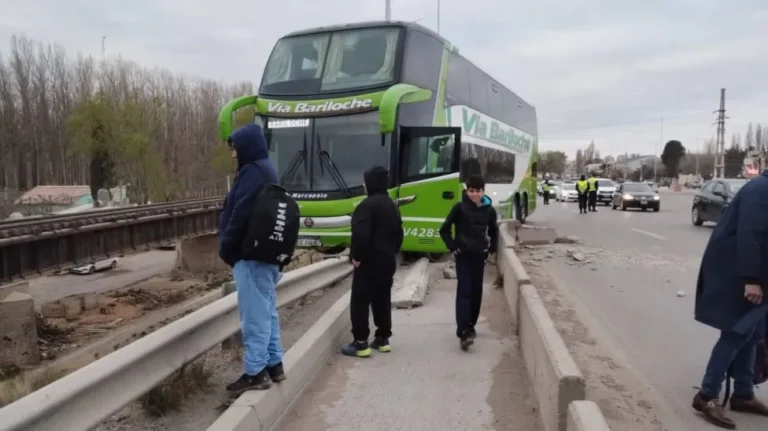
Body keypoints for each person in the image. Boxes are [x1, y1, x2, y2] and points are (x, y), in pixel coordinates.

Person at [692, 169, 768, 429]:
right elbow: (751, 236)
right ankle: (707, 394)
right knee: (737, 332)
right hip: (741, 274)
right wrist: (752, 279)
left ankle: (743, 393)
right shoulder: (760, 190)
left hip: (755, 273)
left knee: (754, 333)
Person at [219, 124, 286, 394]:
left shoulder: (251, 172)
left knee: (254, 315)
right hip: (267, 254)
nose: (233, 154)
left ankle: (255, 372)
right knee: (267, 311)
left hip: (251, 256)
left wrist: (226, 247)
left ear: (245, 146)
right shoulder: (267, 169)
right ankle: (274, 364)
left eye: (235, 148)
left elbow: (240, 214)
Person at [342, 166, 404, 358]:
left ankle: (360, 343)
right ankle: (383, 338)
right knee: (382, 299)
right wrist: (391, 252)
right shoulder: (392, 205)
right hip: (387, 261)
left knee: (360, 301)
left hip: (369, 262)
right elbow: (399, 234)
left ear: (370, 183)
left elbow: (360, 236)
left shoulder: (365, 206)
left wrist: (357, 257)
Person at [439, 175, 499, 351]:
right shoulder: (459, 208)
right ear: (467, 190)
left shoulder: (489, 210)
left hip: (479, 257)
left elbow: (494, 231)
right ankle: (463, 331)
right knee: (464, 290)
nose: (474, 194)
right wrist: (453, 247)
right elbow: (444, 229)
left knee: (476, 292)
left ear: (483, 191)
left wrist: (491, 250)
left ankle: (471, 325)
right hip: (463, 256)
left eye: (478, 191)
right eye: (471, 191)